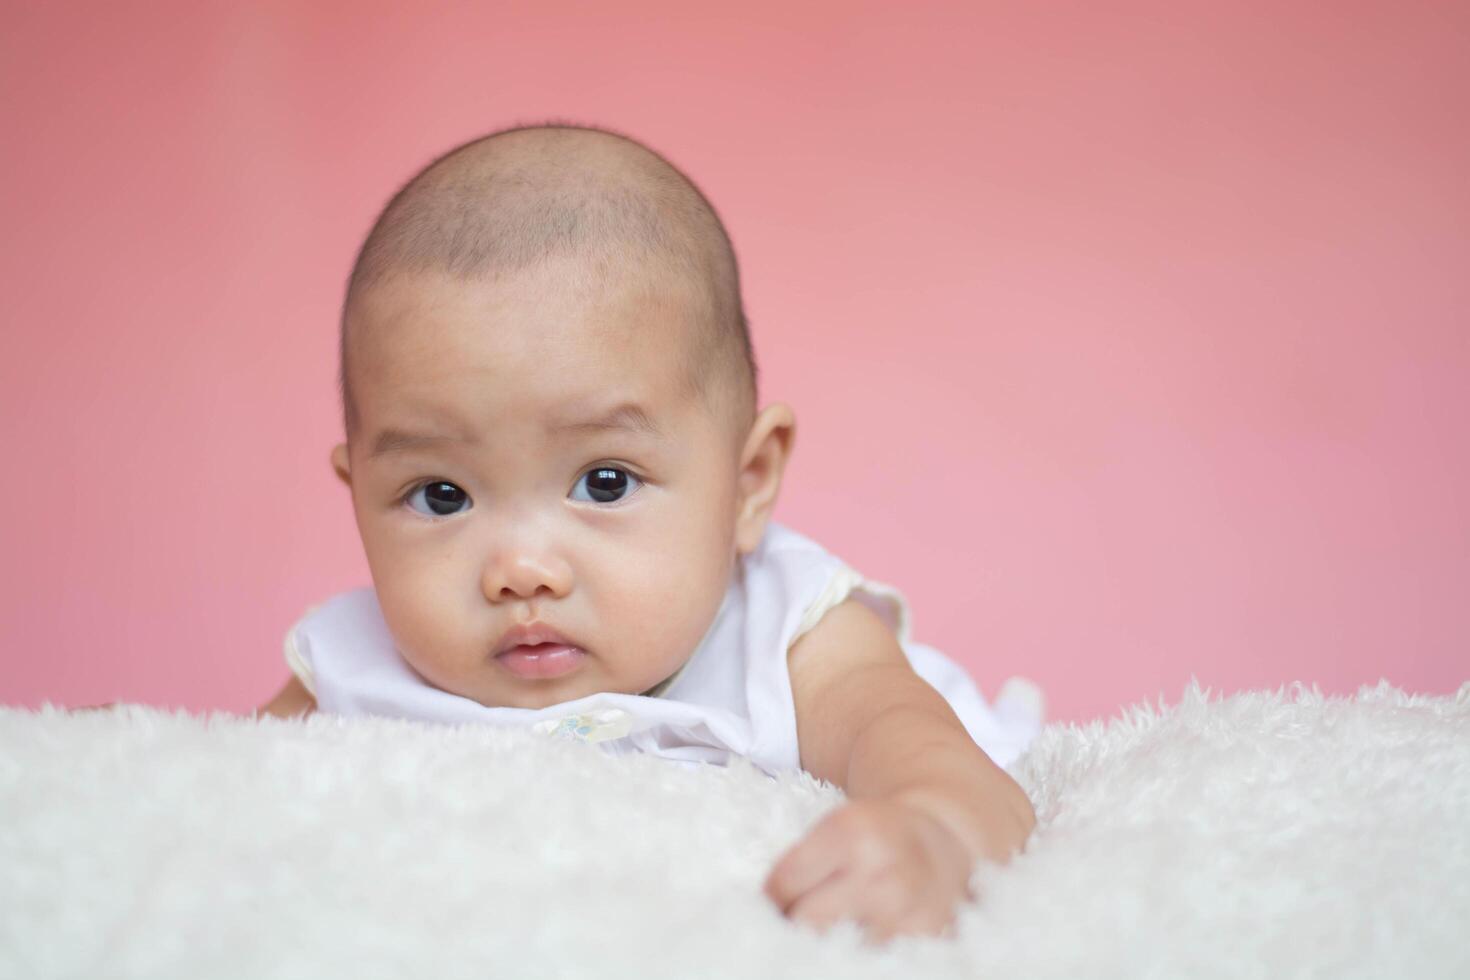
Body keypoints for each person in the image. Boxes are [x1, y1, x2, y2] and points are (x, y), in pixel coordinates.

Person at [257, 122, 1045, 944]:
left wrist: (936, 833)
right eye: (442, 496)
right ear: (358, 499)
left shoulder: (792, 637)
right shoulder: (353, 664)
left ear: (748, 483)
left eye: (605, 482)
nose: (521, 571)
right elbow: (204, 776)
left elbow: (927, 758)